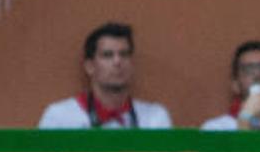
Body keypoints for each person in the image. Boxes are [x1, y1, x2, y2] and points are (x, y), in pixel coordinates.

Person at [37, 22, 172, 129]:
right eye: (107, 55)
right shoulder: (60, 118)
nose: (117, 62)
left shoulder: (155, 119)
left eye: (124, 54)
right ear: (90, 66)